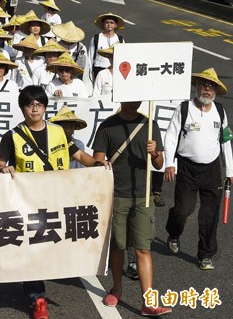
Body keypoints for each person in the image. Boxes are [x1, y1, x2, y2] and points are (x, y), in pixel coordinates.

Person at [0, 85, 107, 319]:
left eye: (39, 104)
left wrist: (98, 165)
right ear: (22, 107)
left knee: (53, 245)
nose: (34, 109)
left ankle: (36, 283)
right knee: (33, 245)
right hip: (27, 201)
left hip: (58, 198)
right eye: (29, 104)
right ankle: (38, 298)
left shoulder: (58, 132)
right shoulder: (12, 136)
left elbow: (79, 156)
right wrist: (4, 168)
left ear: (45, 107)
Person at [93, 100, 172, 317]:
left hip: (143, 195)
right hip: (116, 194)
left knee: (143, 247)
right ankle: (116, 288)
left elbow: (158, 164)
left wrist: (155, 153)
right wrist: (102, 164)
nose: (135, 102)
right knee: (118, 245)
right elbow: (97, 160)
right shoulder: (108, 126)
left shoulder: (149, 125)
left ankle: (148, 300)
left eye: (138, 97)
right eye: (130, 97)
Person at [164, 68, 233, 270]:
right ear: (196, 86)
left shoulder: (220, 111)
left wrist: (229, 171)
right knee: (183, 210)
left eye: (211, 87)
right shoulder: (184, 108)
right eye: (203, 85)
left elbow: (226, 142)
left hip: (211, 170)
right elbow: (171, 135)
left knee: (209, 215)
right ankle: (174, 233)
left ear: (215, 92)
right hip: (187, 168)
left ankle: (205, 254)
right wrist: (170, 162)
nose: (206, 89)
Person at [89, 13, 125, 78]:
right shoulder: (96, 38)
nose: (109, 25)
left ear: (115, 25)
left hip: (114, 70)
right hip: (98, 69)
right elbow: (90, 57)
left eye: (112, 23)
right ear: (103, 24)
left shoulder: (120, 39)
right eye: (107, 22)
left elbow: (123, 56)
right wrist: (90, 72)